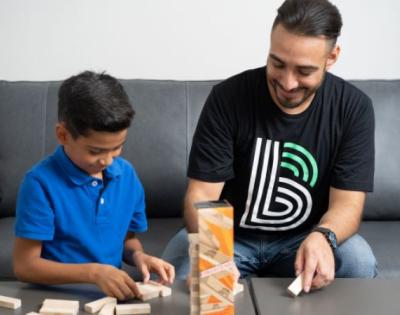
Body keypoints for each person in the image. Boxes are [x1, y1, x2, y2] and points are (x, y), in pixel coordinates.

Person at [162, 0, 377, 293]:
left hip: (304, 239)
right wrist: (215, 251)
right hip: (229, 239)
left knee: (358, 261)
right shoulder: (227, 98)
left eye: (304, 71)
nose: (287, 83)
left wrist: (323, 237)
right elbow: (201, 193)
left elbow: (348, 204)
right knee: (176, 279)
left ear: (332, 57)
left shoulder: (353, 108)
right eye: (277, 63)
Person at [13, 71, 175, 300]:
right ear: (63, 135)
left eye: (117, 148)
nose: (107, 161)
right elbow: (25, 266)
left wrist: (139, 256)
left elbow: (127, 240)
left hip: (108, 297)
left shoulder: (126, 175)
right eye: (95, 151)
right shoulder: (39, 184)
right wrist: (94, 272)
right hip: (55, 298)